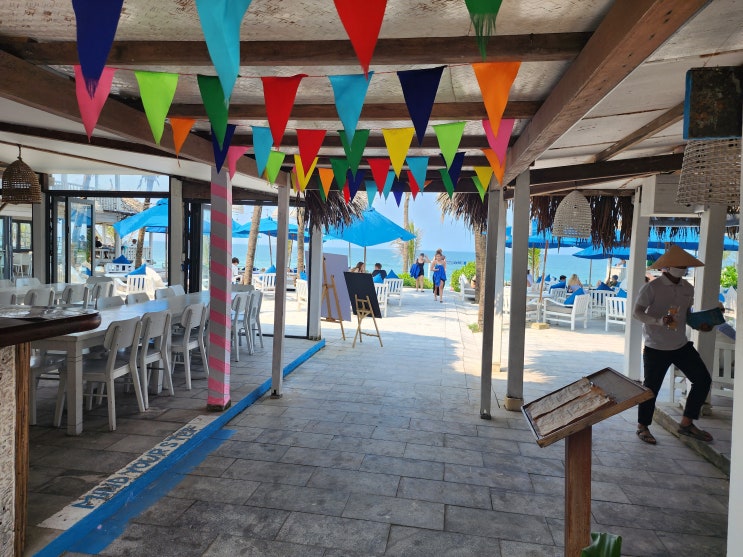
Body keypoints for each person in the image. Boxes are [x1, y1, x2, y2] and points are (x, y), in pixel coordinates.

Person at [632, 245, 713, 445]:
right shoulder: (652, 287)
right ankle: (643, 426)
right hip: (655, 345)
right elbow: (637, 312)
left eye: (685, 265)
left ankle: (686, 423)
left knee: (703, 380)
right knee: (651, 388)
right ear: (667, 266)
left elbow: (687, 315)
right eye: (679, 265)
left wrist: (700, 324)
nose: (682, 268)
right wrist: (658, 321)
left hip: (680, 344)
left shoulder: (688, 288)